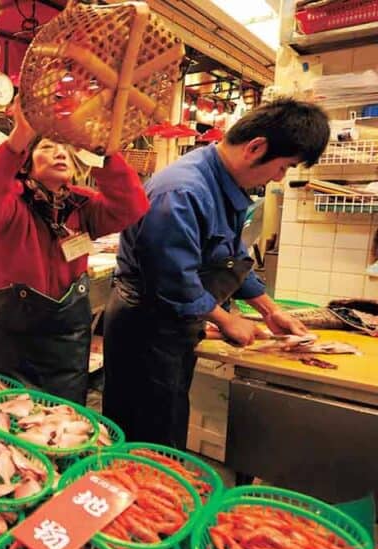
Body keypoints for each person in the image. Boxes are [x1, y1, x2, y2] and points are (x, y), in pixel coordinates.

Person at [103, 98, 328, 449]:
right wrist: (226, 320)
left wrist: (270, 310)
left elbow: (230, 255)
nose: (279, 177)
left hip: (174, 323)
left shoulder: (224, 182)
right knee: (146, 435)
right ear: (256, 148)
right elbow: (174, 281)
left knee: (169, 421)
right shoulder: (181, 191)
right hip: (145, 326)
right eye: (284, 166)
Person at [0, 99, 149, 405]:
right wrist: (17, 140)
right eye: (47, 146)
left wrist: (100, 151)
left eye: (66, 148)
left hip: (65, 352)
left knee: (61, 434)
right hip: (7, 347)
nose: (60, 152)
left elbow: (132, 206)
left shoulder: (83, 207)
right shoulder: (12, 203)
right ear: (28, 161)